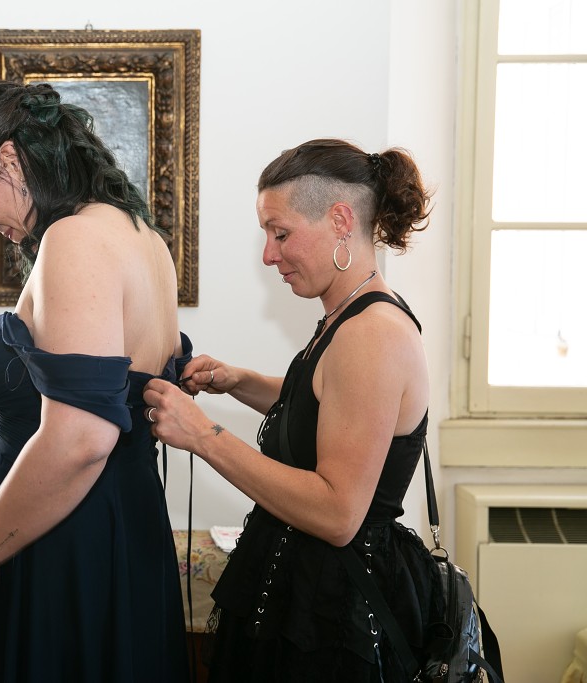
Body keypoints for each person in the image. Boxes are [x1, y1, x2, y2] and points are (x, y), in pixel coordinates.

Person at [143, 138, 442, 681]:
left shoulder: (373, 334)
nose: (268, 255)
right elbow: (329, 405)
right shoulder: (347, 315)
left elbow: (336, 514)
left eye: (280, 234)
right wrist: (240, 381)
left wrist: (205, 436)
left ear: (340, 220)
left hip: (335, 619)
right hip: (303, 591)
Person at [0, 80, 192, 682]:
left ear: (8, 160)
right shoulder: (144, 237)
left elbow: (82, 439)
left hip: (66, 541)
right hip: (112, 527)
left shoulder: (75, 238)